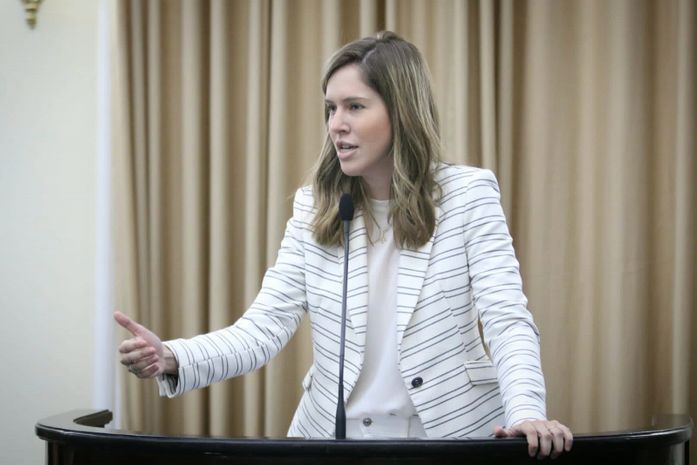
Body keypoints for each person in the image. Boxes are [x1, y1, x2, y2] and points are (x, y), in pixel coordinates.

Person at [115, 31, 573, 459]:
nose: (337, 124)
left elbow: (506, 318)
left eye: (355, 107)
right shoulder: (314, 206)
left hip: (449, 438)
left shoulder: (467, 195)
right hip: (334, 443)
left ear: (401, 111)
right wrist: (171, 356)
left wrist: (526, 411)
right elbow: (263, 330)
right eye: (331, 109)